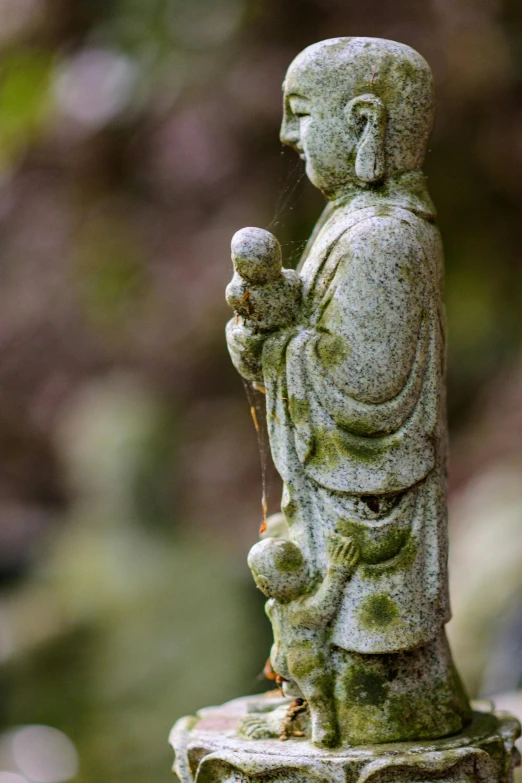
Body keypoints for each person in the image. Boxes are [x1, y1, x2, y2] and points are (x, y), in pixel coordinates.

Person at [226, 37, 471, 743]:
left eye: (301, 113)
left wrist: (279, 351)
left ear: (365, 123)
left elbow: (366, 389)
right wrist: (269, 313)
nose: (286, 135)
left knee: (376, 662)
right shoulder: (354, 222)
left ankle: (377, 713)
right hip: (345, 501)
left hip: (371, 503)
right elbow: (322, 324)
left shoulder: (381, 239)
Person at [247, 535, 359, 747]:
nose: (303, 576)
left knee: (298, 690)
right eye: (298, 572)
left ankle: (293, 710)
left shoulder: (272, 606)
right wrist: (337, 573)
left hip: (280, 657)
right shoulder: (298, 609)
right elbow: (322, 609)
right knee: (318, 697)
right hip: (304, 660)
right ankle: (324, 728)